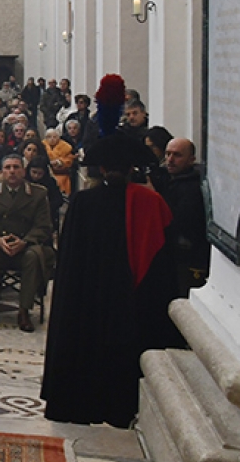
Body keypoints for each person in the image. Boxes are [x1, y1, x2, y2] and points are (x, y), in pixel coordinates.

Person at [43, 135, 178, 427]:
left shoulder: (83, 202)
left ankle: (78, 403)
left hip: (86, 296)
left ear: (101, 169)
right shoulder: (149, 202)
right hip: (129, 297)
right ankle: (119, 407)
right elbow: (161, 258)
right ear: (132, 169)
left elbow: (68, 259)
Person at [0, 153, 53, 331]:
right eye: (8, 168)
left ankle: (24, 311)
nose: (12, 172)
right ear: (1, 171)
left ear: (23, 171)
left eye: (16, 167)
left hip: (25, 245)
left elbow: (43, 226)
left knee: (34, 256)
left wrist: (25, 241)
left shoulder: (38, 193)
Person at [160, 137, 210, 293]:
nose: (170, 160)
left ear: (191, 160)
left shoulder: (192, 188)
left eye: (177, 155)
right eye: (167, 154)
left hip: (188, 258)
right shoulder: (170, 181)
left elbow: (182, 222)